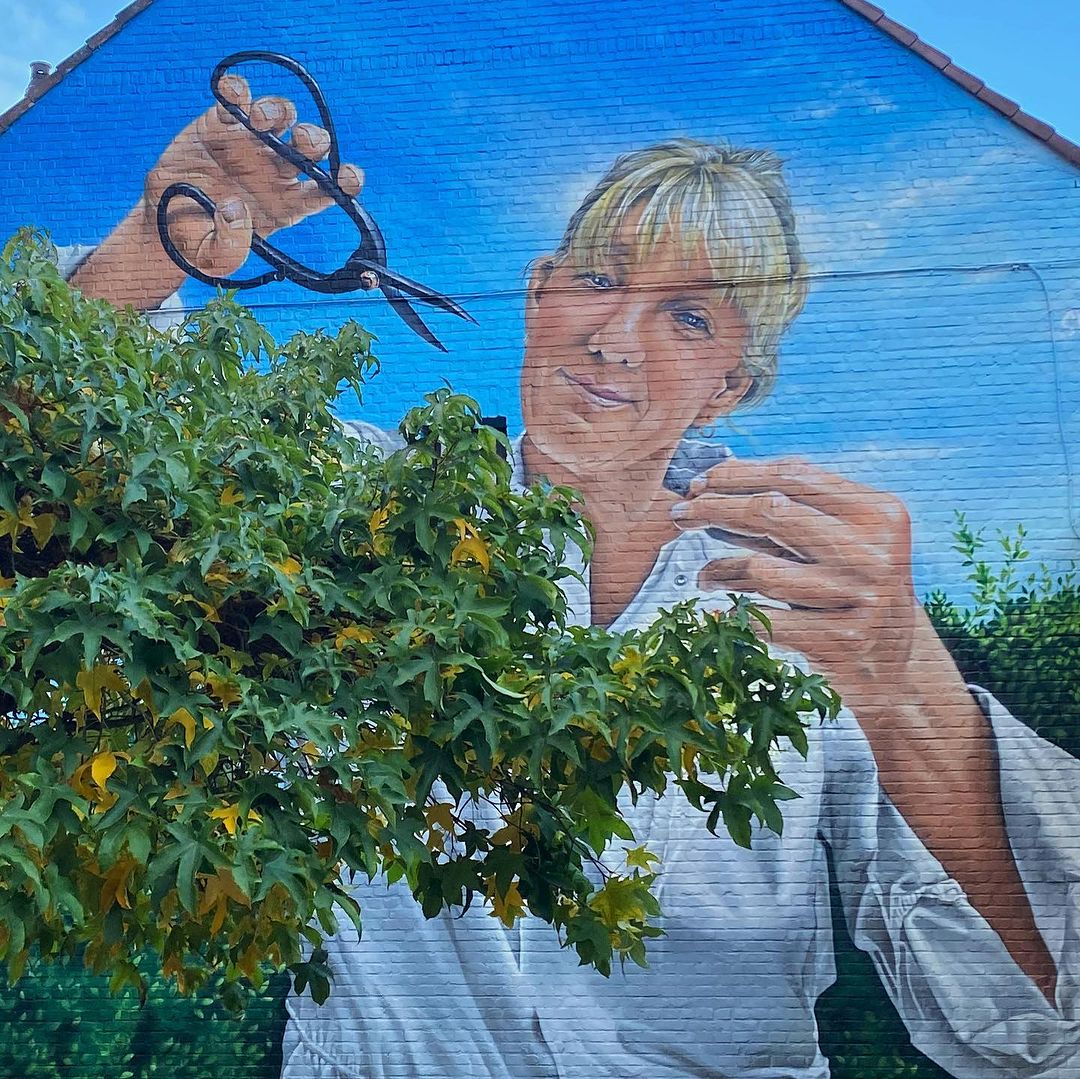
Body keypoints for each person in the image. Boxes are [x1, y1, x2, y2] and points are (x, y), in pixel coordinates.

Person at [68, 76, 1080, 1077]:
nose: (615, 339)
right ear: (538, 291)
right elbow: (72, 469)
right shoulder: (348, 508)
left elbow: (1035, 1028)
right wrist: (148, 252)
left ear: (731, 386)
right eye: (598, 279)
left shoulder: (819, 608)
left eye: (690, 318)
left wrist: (918, 701)